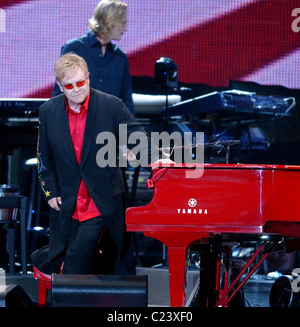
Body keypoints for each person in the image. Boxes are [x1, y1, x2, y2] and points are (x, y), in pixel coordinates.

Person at [33, 53, 149, 275]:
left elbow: (136, 136)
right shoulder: (48, 112)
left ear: (88, 77)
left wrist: (155, 157)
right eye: (69, 85)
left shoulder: (110, 106)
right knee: (72, 259)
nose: (76, 89)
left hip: (101, 200)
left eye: (80, 82)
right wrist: (50, 191)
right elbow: (44, 158)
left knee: (76, 264)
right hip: (68, 202)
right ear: (59, 85)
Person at [52, 0, 135, 116]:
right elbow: (59, 95)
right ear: (109, 21)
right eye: (122, 23)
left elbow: (126, 103)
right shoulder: (74, 48)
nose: (125, 28)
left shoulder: (120, 58)